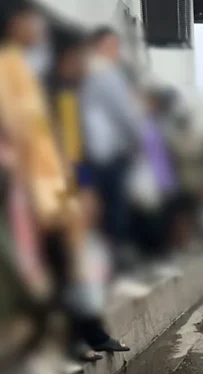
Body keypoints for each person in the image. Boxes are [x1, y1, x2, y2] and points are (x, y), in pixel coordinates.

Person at [82, 26, 144, 271]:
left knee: (93, 208)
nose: (115, 52)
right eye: (111, 46)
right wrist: (139, 138)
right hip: (108, 154)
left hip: (85, 154)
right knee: (113, 209)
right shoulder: (107, 74)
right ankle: (110, 262)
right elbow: (127, 114)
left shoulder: (84, 73)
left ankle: (97, 263)